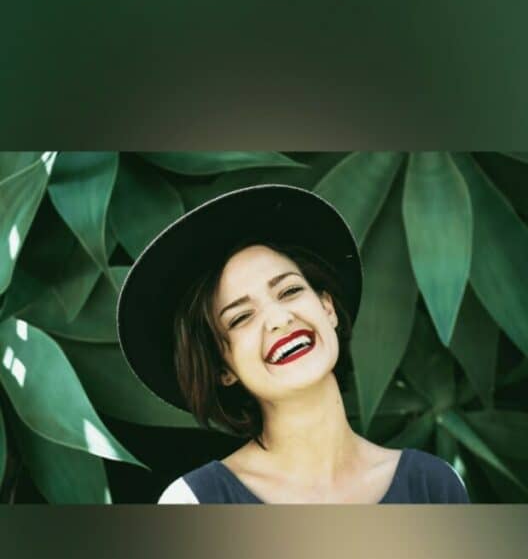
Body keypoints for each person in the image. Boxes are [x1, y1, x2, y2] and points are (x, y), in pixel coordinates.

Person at [117, 184, 469, 504]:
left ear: (327, 307)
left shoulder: (434, 485)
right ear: (222, 368)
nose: (279, 318)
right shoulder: (195, 501)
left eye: (289, 291)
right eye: (241, 318)